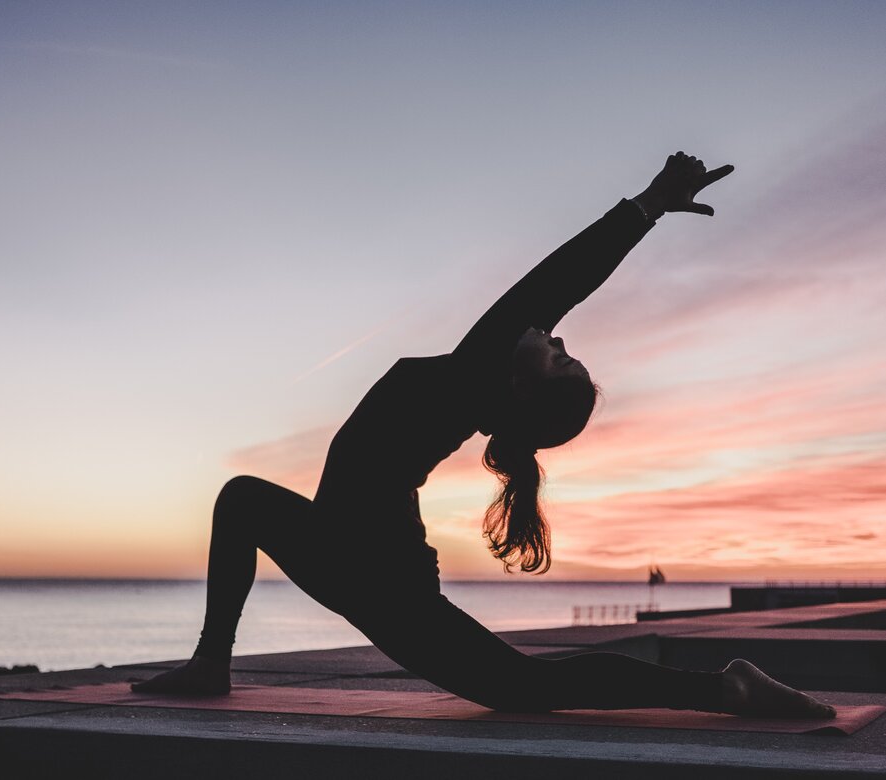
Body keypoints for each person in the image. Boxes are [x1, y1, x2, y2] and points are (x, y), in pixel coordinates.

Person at [132, 152, 835, 719]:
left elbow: (558, 281)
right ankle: (211, 663)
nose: (553, 335)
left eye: (558, 356)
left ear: (522, 389)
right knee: (242, 499)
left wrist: (647, 205)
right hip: (346, 551)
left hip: (376, 575)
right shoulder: (474, 386)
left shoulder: (476, 375)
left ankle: (723, 689)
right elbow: (553, 295)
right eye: (562, 347)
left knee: (522, 690)